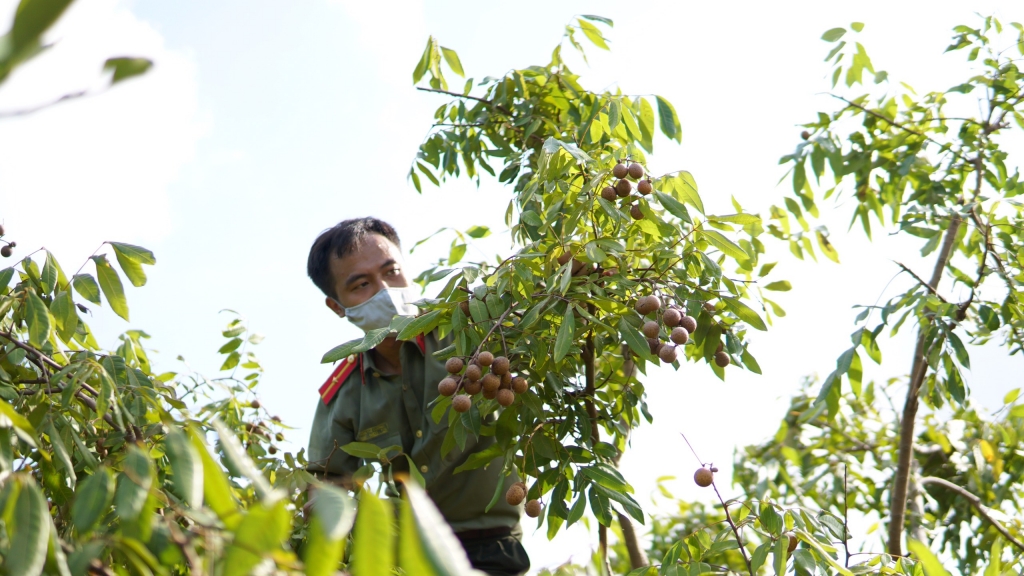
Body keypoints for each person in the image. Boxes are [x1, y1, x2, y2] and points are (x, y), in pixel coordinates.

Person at [305, 217, 530, 576]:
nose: (384, 290)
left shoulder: (473, 333)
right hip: (407, 560)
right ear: (337, 306)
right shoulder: (344, 392)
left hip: (491, 550)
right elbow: (326, 483)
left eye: (391, 271)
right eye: (362, 284)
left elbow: (534, 311)